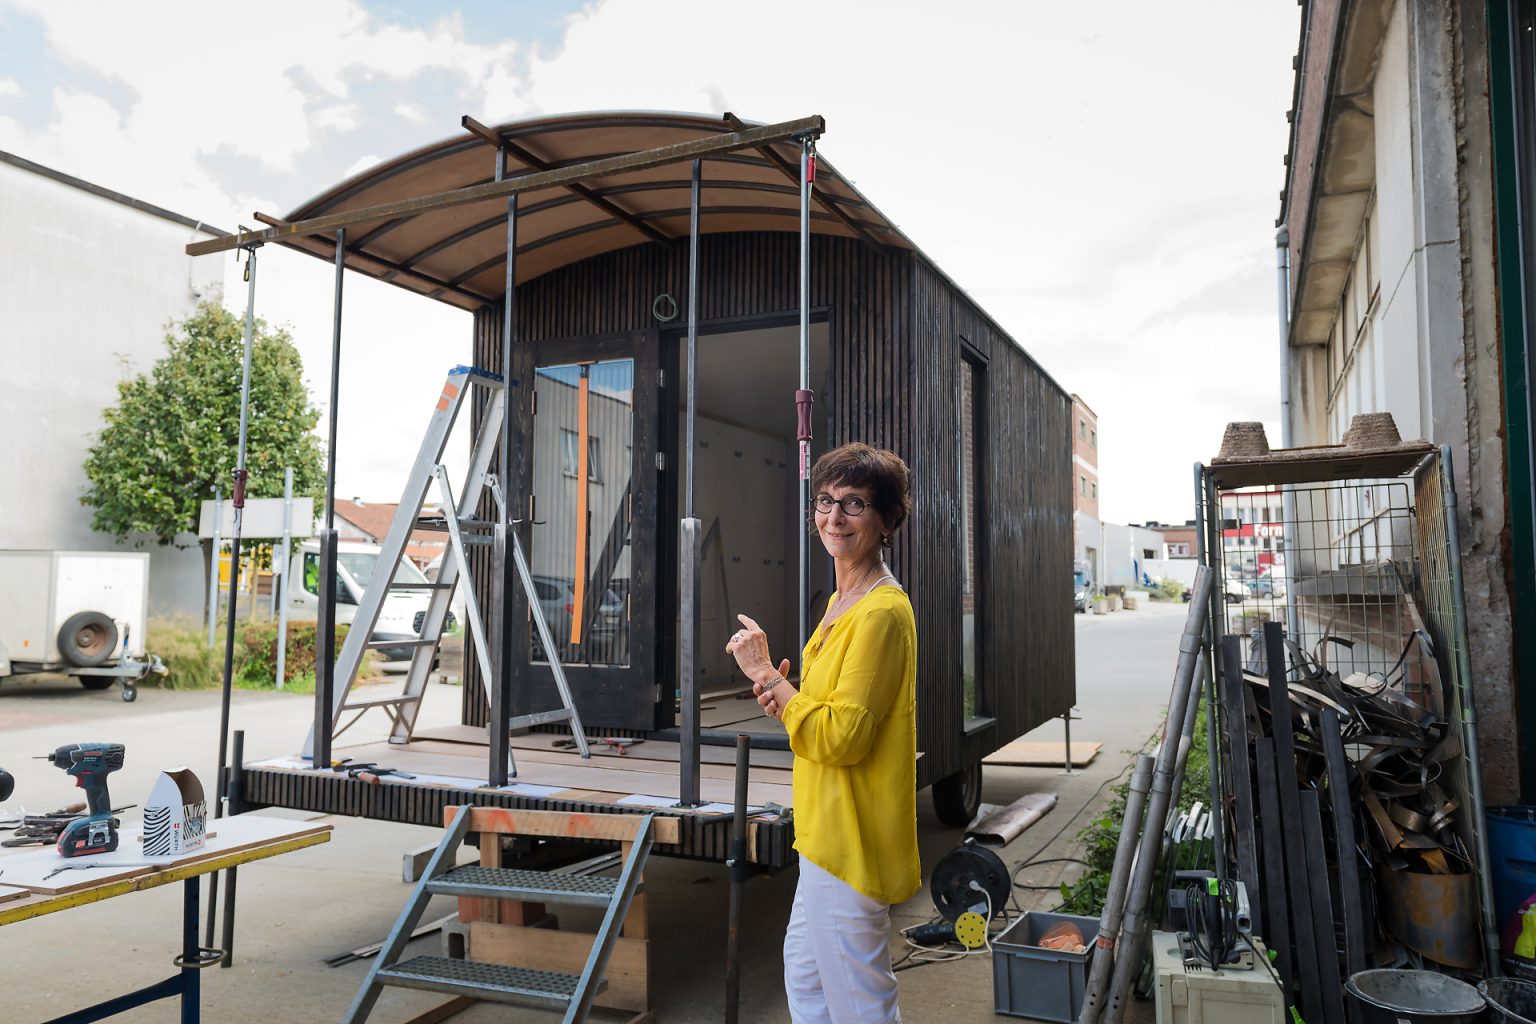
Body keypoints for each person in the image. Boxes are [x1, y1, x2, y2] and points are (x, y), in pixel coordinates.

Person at [724, 441, 919, 1024]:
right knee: (808, 986)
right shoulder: (842, 599)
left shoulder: (880, 612)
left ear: (887, 520)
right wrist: (783, 698)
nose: (834, 517)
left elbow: (841, 738)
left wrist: (764, 673)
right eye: (825, 501)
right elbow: (822, 711)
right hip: (821, 832)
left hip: (851, 837)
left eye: (854, 503)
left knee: (860, 1004)